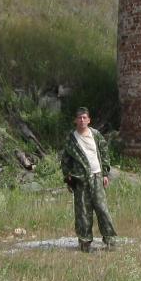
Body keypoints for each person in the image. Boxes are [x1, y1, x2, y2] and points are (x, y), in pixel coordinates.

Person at [60, 106, 117, 251]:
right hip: (80, 179)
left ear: (89, 120)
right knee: (83, 212)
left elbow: (104, 152)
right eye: (79, 118)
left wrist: (105, 173)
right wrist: (68, 178)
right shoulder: (71, 139)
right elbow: (65, 160)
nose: (82, 120)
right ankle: (85, 242)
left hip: (97, 176)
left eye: (84, 117)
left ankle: (109, 239)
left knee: (102, 208)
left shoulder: (96, 135)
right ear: (75, 120)